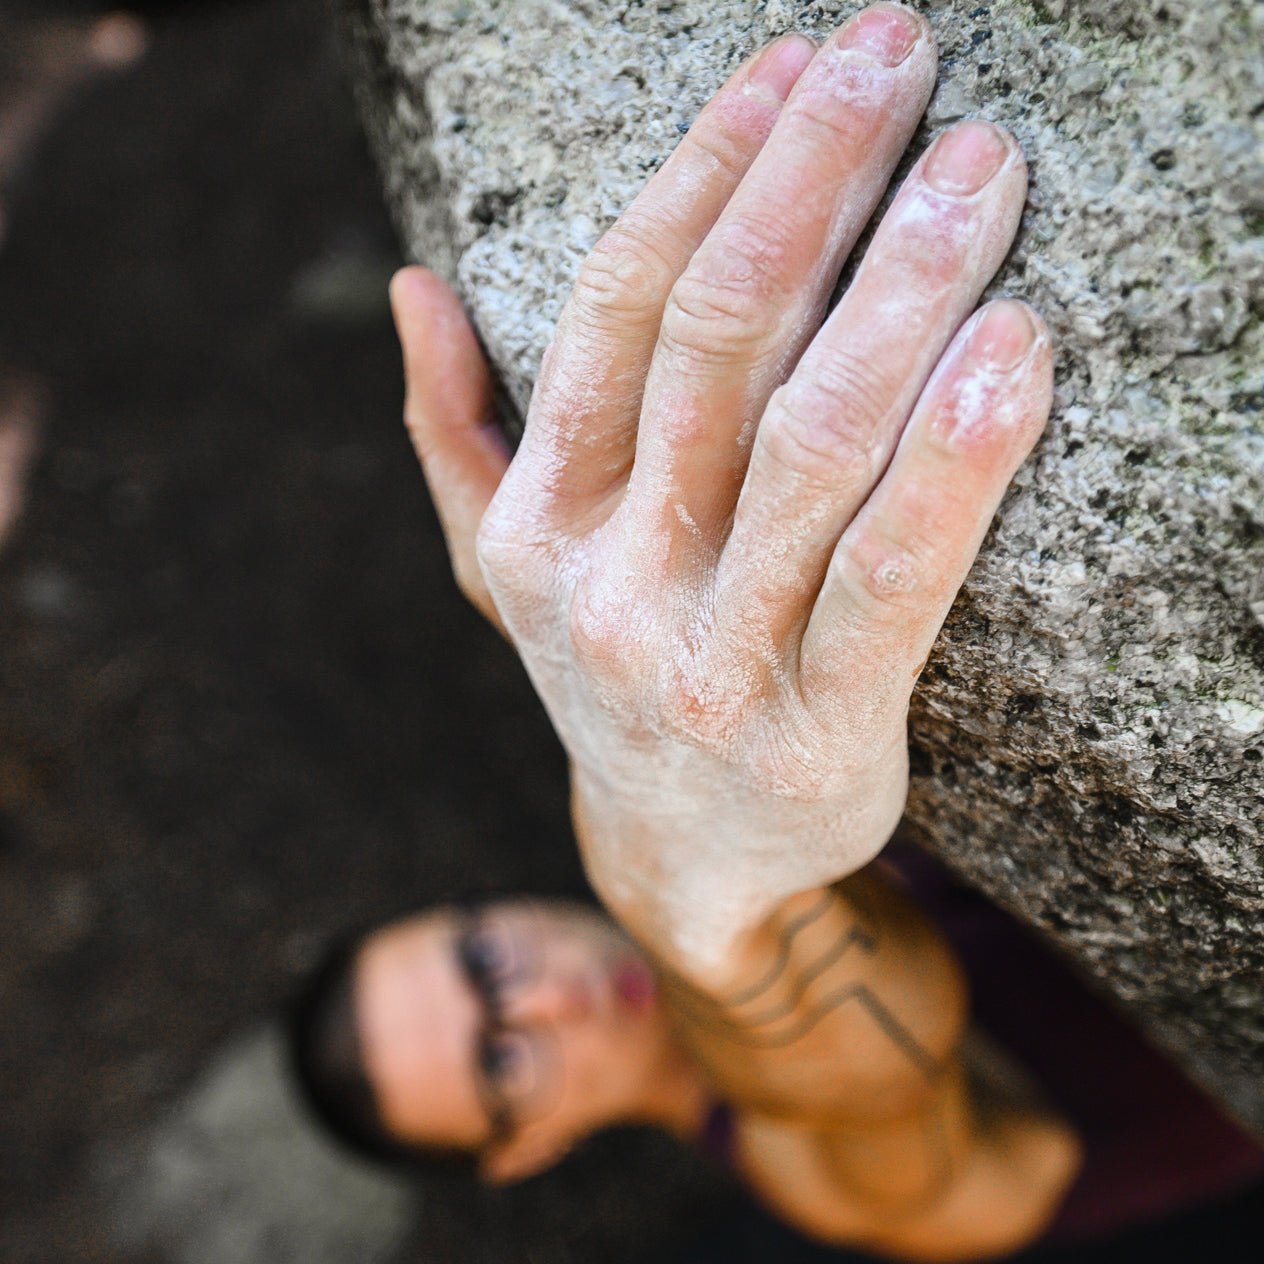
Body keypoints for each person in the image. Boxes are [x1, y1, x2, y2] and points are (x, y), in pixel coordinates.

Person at [294, 4, 1263, 1259]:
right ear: (519, 1152)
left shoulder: (632, 699)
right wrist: (710, 901)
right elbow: (888, 1098)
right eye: (501, 1057)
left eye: (481, 958)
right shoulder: (827, 1179)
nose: (539, 997)